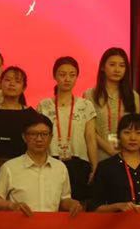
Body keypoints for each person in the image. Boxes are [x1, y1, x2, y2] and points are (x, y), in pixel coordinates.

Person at [37, 57, 98, 201]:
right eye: (62, 74)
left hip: (79, 164)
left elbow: (90, 138)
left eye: (72, 75)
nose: (67, 79)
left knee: (78, 205)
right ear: (55, 76)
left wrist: (95, 166)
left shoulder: (85, 105)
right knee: (51, 203)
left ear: (77, 77)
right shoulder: (44, 105)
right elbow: (38, 137)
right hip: (50, 161)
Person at [0, 66, 37, 208]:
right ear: (0, 84)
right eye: (7, 80)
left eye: (17, 81)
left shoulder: (32, 115)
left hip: (22, 171)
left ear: (24, 87)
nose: (11, 84)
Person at [84, 47, 140, 161]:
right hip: (98, 154)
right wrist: (107, 148)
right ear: (103, 67)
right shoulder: (89, 95)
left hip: (126, 154)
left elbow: (135, 128)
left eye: (122, 65)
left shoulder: (133, 96)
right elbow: (89, 131)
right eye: (112, 64)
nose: (117, 69)